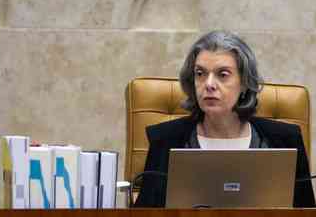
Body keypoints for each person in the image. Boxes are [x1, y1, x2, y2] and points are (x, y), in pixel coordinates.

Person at [134, 30, 315, 207]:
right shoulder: (165, 139)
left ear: (244, 82)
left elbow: (305, 212)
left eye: (222, 74)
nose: (209, 84)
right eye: (200, 73)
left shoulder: (285, 140)